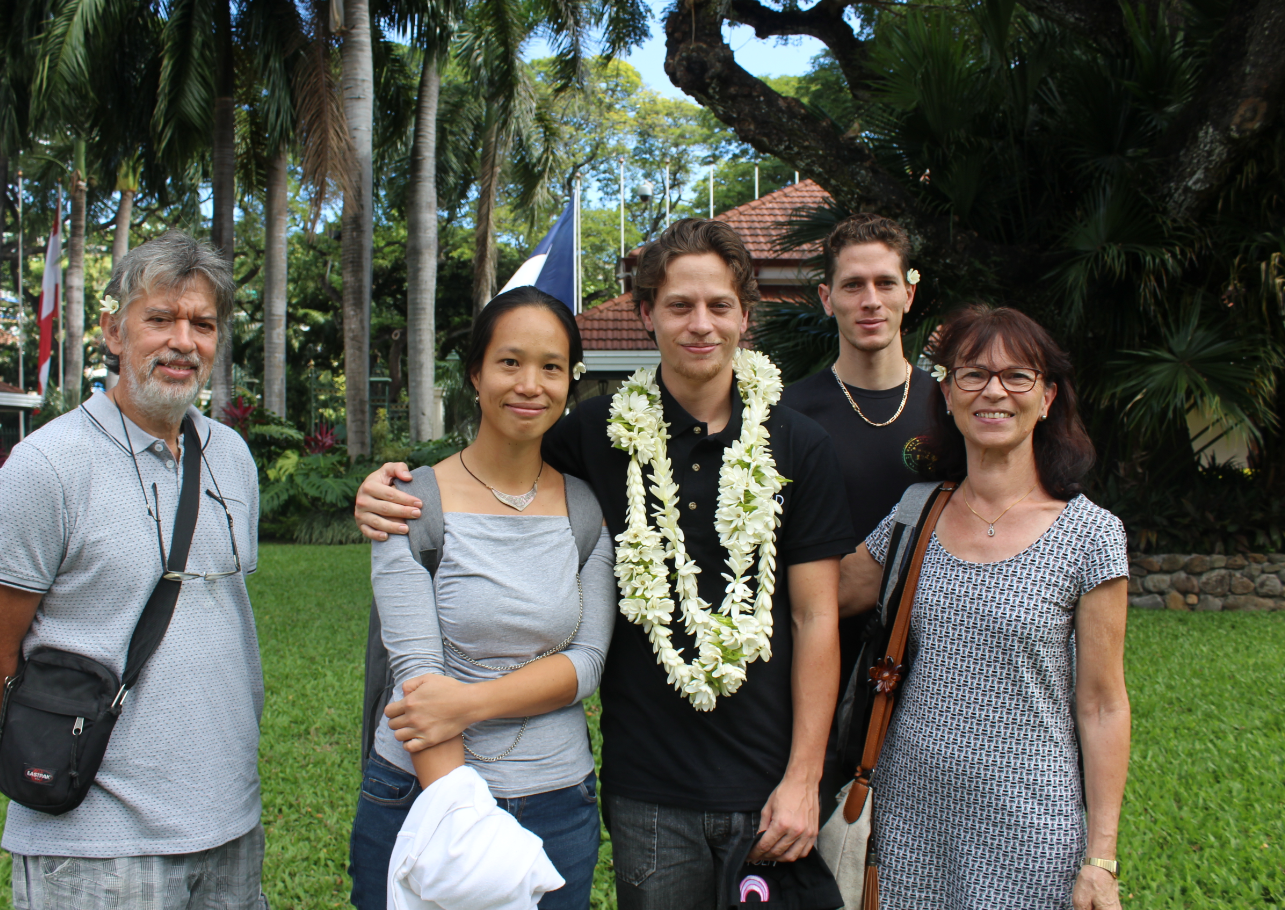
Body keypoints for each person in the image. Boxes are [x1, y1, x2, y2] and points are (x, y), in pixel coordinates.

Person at [355, 219, 857, 910]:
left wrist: (805, 777)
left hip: (768, 784)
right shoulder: (596, 434)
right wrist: (387, 489)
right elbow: (502, 454)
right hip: (646, 787)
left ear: (746, 314)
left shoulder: (797, 445)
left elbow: (814, 615)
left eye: (718, 305)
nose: (700, 324)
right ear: (647, 314)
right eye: (679, 305)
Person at [0, 232, 268, 910]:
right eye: (160, 319)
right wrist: (54, 755)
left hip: (231, 826)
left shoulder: (233, 458)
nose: (183, 341)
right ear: (114, 332)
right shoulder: (45, 469)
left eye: (202, 324)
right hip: (95, 842)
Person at [837, 304, 1129, 910]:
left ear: (1047, 398)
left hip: (1032, 828)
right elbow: (824, 599)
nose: (994, 391)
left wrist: (1101, 857)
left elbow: (1102, 704)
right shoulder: (915, 512)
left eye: (1017, 376)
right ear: (946, 394)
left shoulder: (1090, 534)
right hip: (908, 820)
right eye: (972, 374)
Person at [348, 287, 616, 910]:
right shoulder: (409, 503)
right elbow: (419, 683)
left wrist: (466, 703)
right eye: (509, 362)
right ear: (475, 373)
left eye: (551, 367)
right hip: (423, 795)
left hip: (557, 804)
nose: (530, 384)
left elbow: (587, 663)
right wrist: (469, 834)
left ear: (569, 382)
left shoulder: (585, 510)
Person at [780, 212, 935, 791]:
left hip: (929, 671)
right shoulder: (785, 416)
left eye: (885, 283)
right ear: (827, 298)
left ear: (909, 294)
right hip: (815, 665)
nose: (870, 300)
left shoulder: (954, 412)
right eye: (852, 285)